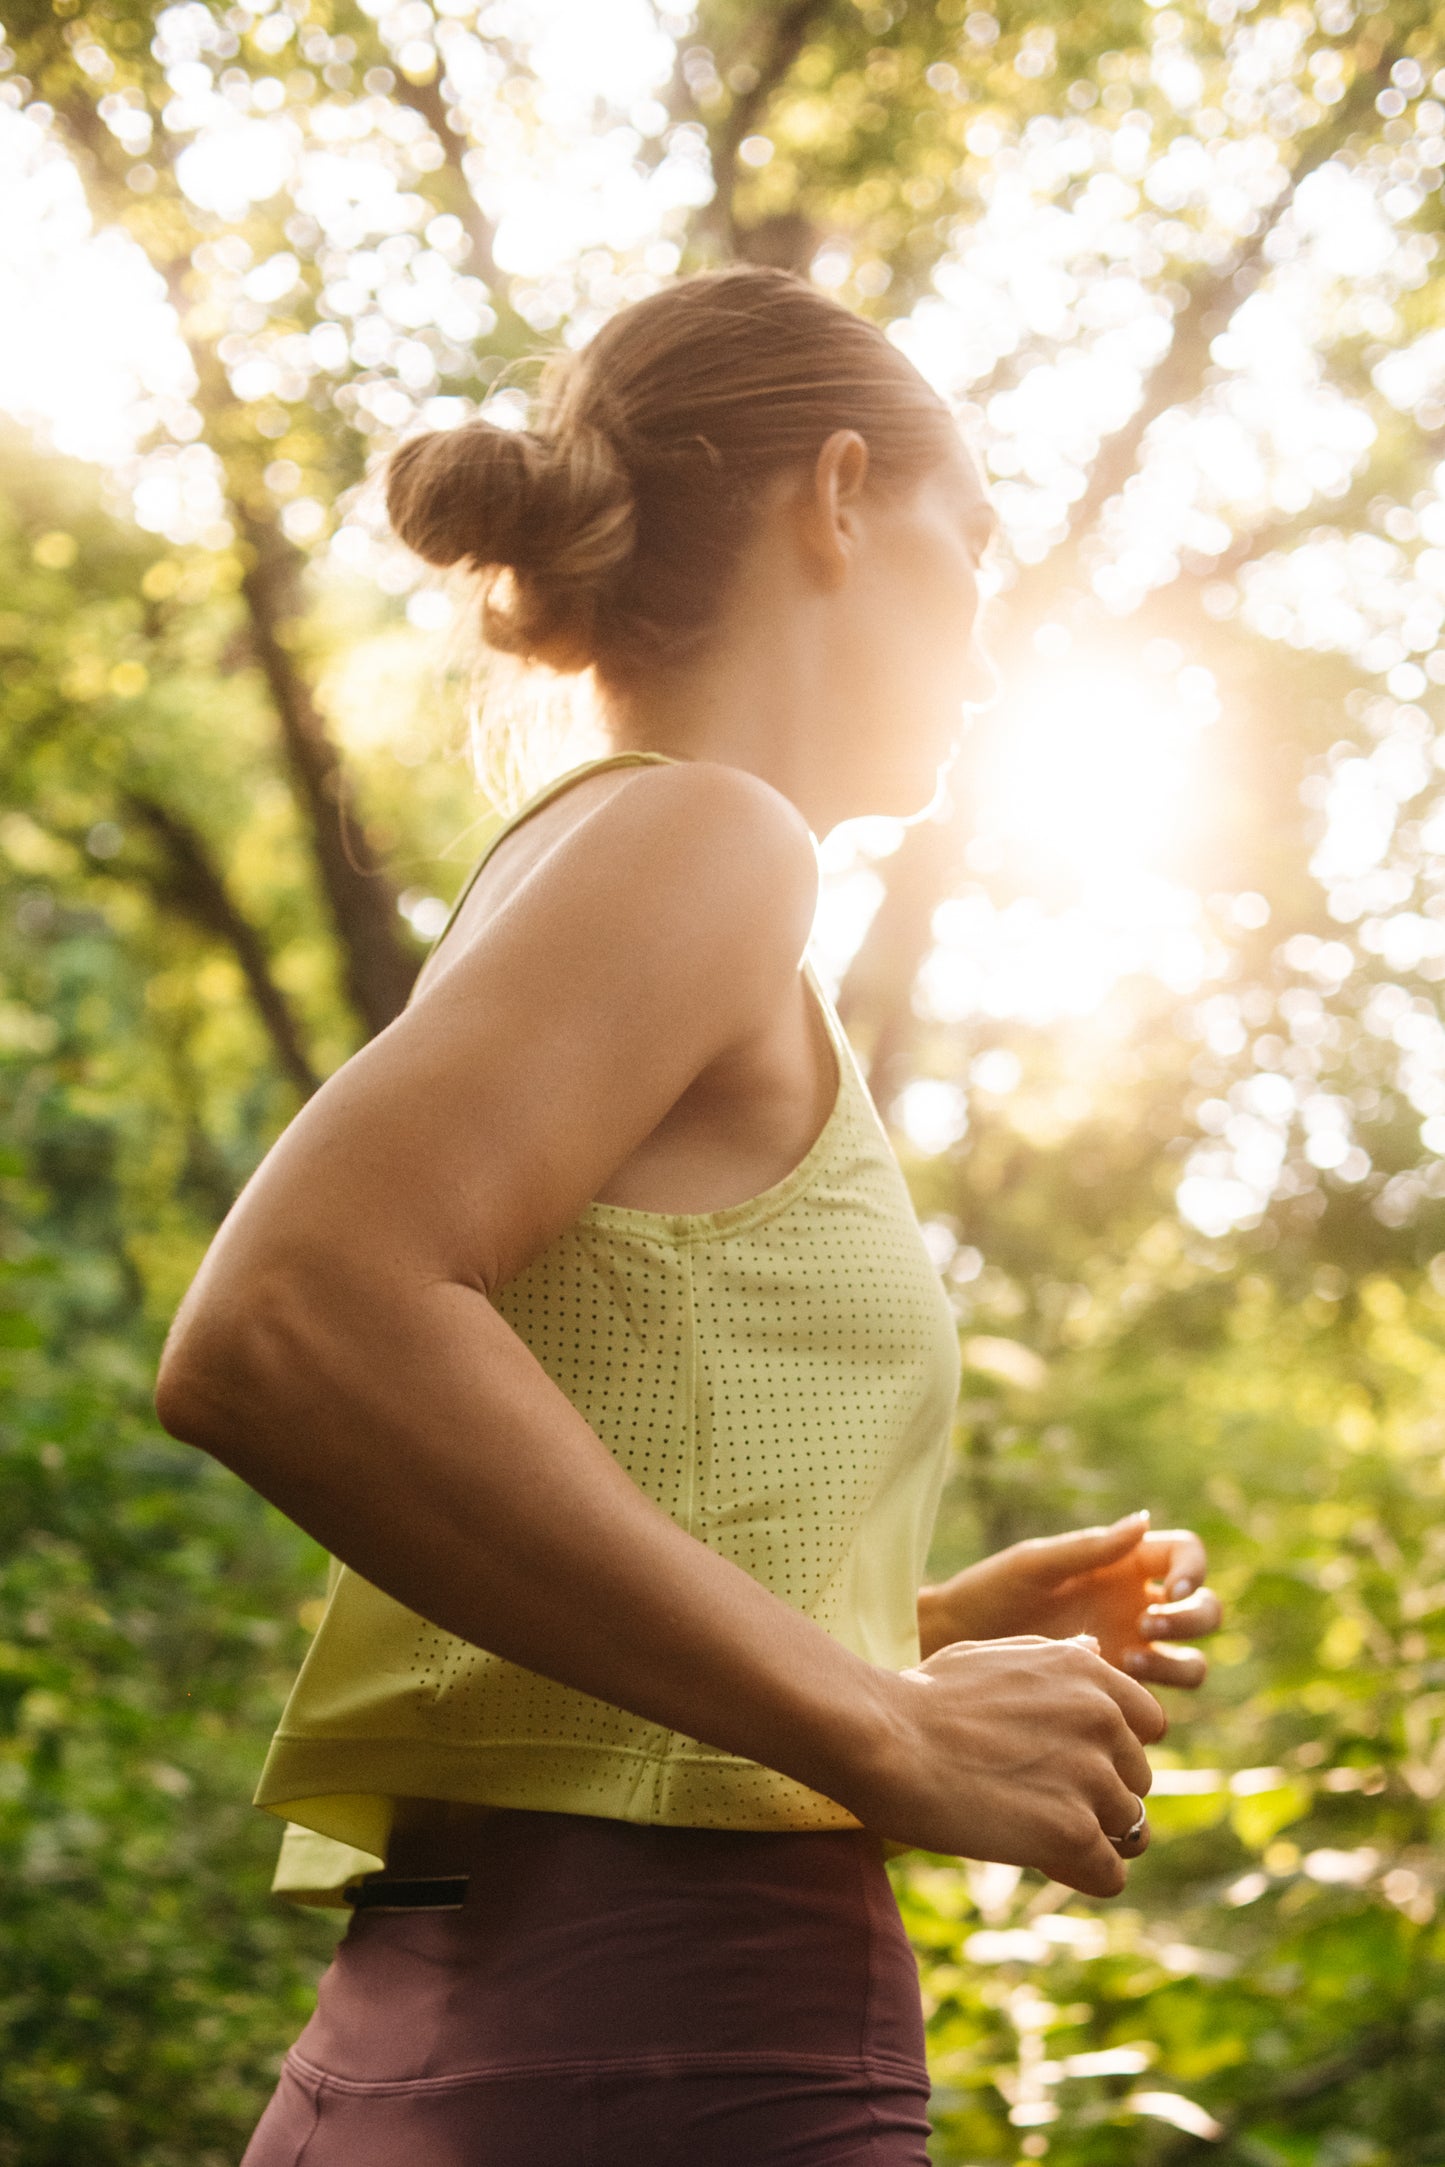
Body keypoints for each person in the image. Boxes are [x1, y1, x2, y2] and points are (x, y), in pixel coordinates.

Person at [155, 266, 1221, 2167]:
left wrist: (893, 1639)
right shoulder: (709, 838)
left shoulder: (606, 857)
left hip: (463, 2043)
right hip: (679, 2051)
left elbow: (574, 1561)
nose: (988, 656)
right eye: (973, 546)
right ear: (839, 498)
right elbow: (290, 1320)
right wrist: (884, 1729)